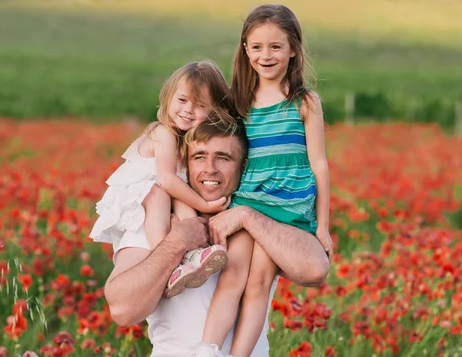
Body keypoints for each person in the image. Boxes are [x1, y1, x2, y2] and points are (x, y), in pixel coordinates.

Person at [104, 116, 330, 356]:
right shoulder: (157, 220)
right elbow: (121, 309)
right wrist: (177, 242)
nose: (209, 169)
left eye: (223, 158)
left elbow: (315, 270)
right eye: (199, 157)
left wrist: (247, 217)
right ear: (185, 163)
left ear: (243, 166)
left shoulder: (263, 222)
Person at [194, 4, 334, 357]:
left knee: (258, 284)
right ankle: (207, 349)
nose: (265, 55)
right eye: (257, 47)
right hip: (250, 197)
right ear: (245, 49)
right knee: (234, 275)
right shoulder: (239, 101)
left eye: (275, 46)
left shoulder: (305, 102)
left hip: (288, 206)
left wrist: (323, 228)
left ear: (293, 49)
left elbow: (319, 164)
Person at [89, 61, 233, 299]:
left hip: (165, 191)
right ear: (168, 98)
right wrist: (205, 206)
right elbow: (166, 179)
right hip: (140, 194)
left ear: (214, 111)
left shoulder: (186, 138)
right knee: (163, 193)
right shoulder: (163, 132)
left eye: (199, 105)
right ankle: (170, 262)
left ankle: (194, 256)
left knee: (181, 193)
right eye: (182, 100)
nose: (188, 109)